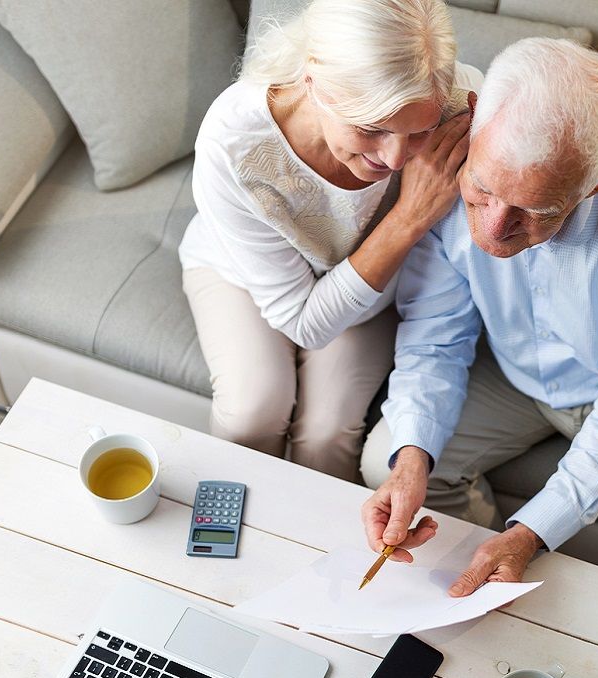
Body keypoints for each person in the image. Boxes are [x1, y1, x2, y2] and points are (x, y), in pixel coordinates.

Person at [359, 38, 598, 626]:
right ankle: (483, 590)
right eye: (484, 190)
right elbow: (436, 337)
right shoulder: (449, 159)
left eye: (534, 211)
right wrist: (413, 456)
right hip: (515, 371)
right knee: (386, 461)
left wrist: (532, 534)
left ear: (597, 184)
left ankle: (569, 631)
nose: (492, 231)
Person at [177, 0, 479, 482]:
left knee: (326, 436)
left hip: (370, 298)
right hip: (242, 276)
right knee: (252, 413)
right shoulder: (233, 142)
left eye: (417, 132)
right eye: (372, 128)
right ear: (313, 80)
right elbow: (303, 322)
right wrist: (409, 216)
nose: (397, 158)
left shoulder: (457, 101)